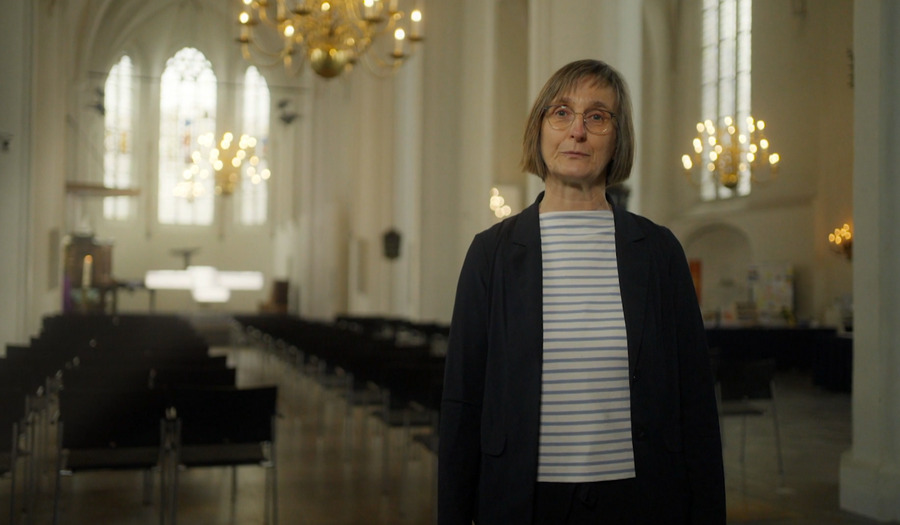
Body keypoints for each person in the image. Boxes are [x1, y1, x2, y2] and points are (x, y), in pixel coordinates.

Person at [438, 59, 726, 524]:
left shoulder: (657, 251)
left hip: (640, 499)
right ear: (540, 130)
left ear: (618, 138)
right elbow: (463, 401)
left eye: (597, 116)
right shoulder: (492, 253)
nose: (578, 131)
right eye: (561, 113)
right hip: (523, 500)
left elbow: (694, 399)